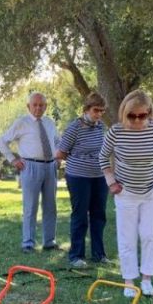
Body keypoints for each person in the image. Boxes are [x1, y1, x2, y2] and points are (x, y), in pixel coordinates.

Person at [99, 90, 153, 297]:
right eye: (132, 115)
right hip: (126, 193)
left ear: (150, 112)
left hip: (152, 191)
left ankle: (147, 279)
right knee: (127, 237)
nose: (137, 120)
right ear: (124, 112)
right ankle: (129, 280)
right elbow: (103, 157)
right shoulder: (116, 132)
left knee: (149, 235)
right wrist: (111, 181)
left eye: (142, 115)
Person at [0, 92, 60, 253]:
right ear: (28, 106)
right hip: (30, 167)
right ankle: (28, 243)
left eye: (42, 105)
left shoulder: (50, 122)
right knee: (30, 207)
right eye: (35, 105)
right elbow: (2, 141)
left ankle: (49, 242)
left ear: (46, 106)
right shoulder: (21, 123)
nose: (38, 108)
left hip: (51, 166)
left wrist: (59, 157)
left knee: (51, 206)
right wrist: (13, 160)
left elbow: (57, 142)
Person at [55, 92, 109, 268]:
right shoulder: (74, 127)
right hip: (78, 177)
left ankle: (99, 254)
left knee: (99, 215)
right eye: (96, 110)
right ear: (86, 109)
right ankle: (76, 256)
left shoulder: (101, 126)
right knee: (80, 216)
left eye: (102, 111)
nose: (99, 114)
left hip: (99, 176)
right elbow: (61, 153)